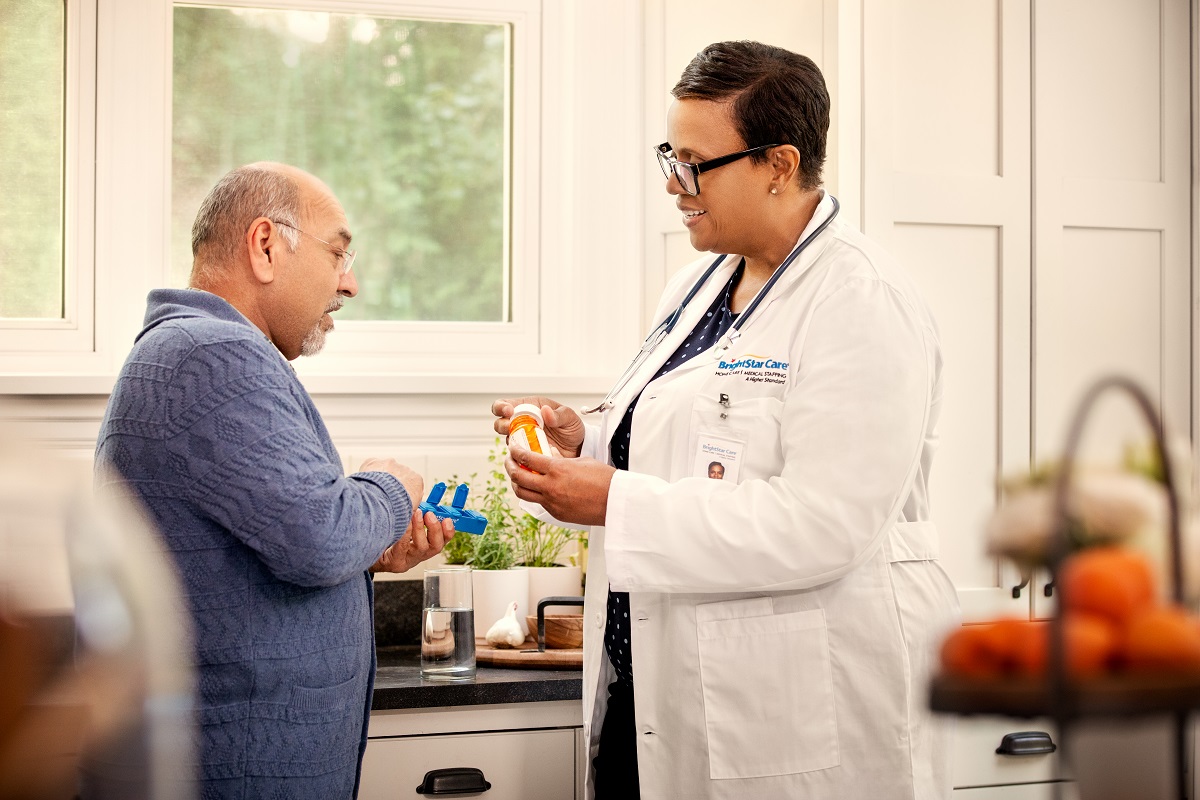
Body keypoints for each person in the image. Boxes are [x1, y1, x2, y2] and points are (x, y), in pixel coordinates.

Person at [492, 42, 958, 799]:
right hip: (650, 682)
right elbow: (696, 443)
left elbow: (825, 523)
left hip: (786, 706)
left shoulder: (862, 301)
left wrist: (612, 498)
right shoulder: (699, 282)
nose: (675, 187)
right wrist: (589, 441)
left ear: (778, 164)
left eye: (694, 164)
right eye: (668, 160)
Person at [94, 162, 454, 799]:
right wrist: (387, 487)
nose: (351, 282)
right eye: (339, 253)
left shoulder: (196, 352)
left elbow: (262, 546)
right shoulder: (213, 355)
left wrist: (369, 550)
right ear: (265, 246)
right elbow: (318, 535)